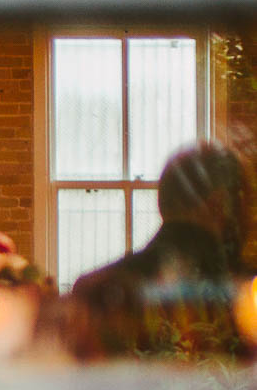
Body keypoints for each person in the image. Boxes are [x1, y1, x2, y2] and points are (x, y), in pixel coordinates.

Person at [65, 142, 254, 361]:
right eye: (245, 205)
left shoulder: (95, 291)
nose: (249, 221)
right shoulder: (245, 294)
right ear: (219, 204)